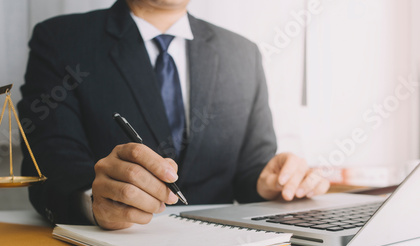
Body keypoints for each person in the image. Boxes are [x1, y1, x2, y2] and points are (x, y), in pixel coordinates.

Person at [17, 0, 330, 230]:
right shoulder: (62, 40)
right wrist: (94, 202)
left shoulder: (242, 53)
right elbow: (49, 165)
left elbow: (249, 173)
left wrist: (271, 182)